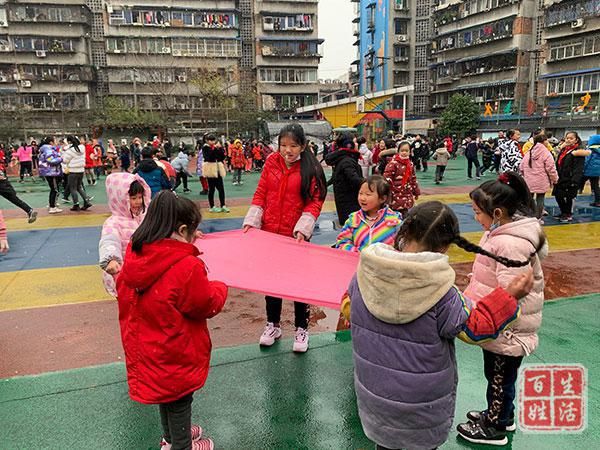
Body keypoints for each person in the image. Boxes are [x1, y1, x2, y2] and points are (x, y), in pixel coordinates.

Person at [343, 201, 533, 450]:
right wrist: (508, 297)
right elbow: (476, 329)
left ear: (405, 230)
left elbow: (348, 307)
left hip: (376, 398)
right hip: (422, 407)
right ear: (445, 246)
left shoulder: (363, 275)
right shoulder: (441, 293)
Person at [117, 191, 227, 450]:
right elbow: (205, 304)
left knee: (165, 397)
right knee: (179, 400)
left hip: (148, 349)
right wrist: (220, 287)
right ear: (181, 230)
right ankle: (182, 444)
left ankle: (171, 437)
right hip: (175, 350)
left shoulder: (136, 255)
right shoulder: (186, 266)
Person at [457, 172, 547, 445]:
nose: (475, 218)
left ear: (497, 213)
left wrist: (497, 321)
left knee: (499, 379)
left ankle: (495, 427)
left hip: (507, 328)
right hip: (503, 324)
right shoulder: (502, 232)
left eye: (477, 212)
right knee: (499, 377)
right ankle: (501, 415)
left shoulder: (509, 243)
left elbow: (512, 292)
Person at [243, 123, 327, 353]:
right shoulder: (271, 162)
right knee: (273, 283)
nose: (287, 150)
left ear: (302, 146)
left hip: (296, 237)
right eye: (283, 145)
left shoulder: (311, 168)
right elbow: (261, 192)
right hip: (271, 234)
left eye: (292, 145)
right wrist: (252, 220)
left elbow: (315, 201)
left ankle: (302, 329)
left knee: (299, 285)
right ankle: (273, 324)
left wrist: (303, 227)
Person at [99, 173, 151, 297]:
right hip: (122, 274)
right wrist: (111, 259)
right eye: (133, 198)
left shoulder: (145, 216)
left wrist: (187, 234)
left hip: (143, 273)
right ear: (120, 199)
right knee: (128, 309)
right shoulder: (113, 223)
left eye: (140, 197)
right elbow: (109, 242)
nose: (138, 202)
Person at [335, 175, 401, 252]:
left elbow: (402, 247)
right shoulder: (353, 219)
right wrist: (358, 252)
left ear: (383, 198)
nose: (362, 198)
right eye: (360, 193)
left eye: (368, 194)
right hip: (358, 262)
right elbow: (341, 243)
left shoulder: (394, 221)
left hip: (383, 263)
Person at [325, 131, 364, 225]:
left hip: (344, 201)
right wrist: (372, 184)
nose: (357, 144)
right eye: (354, 142)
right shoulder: (348, 161)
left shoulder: (343, 158)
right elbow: (355, 180)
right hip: (350, 203)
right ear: (349, 145)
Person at [553, 131, 590, 223]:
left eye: (571, 138)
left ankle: (567, 214)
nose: (568, 140)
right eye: (567, 138)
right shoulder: (563, 150)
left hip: (570, 178)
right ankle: (563, 212)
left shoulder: (578, 152)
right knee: (558, 196)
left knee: (569, 197)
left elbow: (578, 168)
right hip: (561, 177)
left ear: (576, 140)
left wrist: (575, 180)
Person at [520, 133, 559, 219]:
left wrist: (526, 175)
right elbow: (551, 169)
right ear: (543, 142)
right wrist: (555, 179)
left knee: (529, 198)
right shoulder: (546, 153)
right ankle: (538, 217)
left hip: (529, 180)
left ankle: (527, 215)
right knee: (540, 199)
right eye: (546, 140)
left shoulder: (529, 152)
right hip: (542, 180)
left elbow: (521, 166)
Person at [383, 141, 420, 216]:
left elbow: (413, 178)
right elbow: (387, 178)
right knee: (395, 214)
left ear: (410, 152)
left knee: (406, 212)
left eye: (406, 151)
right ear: (398, 151)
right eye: (402, 150)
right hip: (395, 194)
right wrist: (390, 191)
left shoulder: (410, 164)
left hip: (407, 193)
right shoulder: (393, 164)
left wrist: (416, 192)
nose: (404, 152)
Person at [62, 136, 92, 212]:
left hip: (73, 171)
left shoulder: (70, 151)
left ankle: (76, 204)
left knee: (73, 188)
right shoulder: (82, 148)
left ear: (69, 142)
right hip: (81, 170)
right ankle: (86, 201)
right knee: (79, 187)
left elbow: (65, 160)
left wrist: (65, 150)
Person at [202, 135, 229, 213]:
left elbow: (222, 157)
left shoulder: (216, 147)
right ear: (207, 141)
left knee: (221, 189)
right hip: (210, 170)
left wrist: (219, 149)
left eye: (213, 140)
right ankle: (212, 206)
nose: (212, 142)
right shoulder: (205, 148)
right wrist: (214, 149)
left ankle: (223, 205)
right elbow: (208, 157)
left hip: (217, 169)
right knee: (212, 189)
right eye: (211, 140)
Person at [38, 136, 64, 214]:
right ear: (51, 142)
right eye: (55, 140)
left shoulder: (47, 148)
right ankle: (52, 207)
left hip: (50, 171)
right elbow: (50, 160)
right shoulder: (48, 149)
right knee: (54, 189)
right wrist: (61, 159)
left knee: (54, 189)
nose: (56, 141)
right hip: (51, 172)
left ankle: (52, 204)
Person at [584, 134, 600, 207]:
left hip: (588, 170)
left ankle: (570, 199)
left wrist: (583, 169)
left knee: (577, 183)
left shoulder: (590, 149)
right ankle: (598, 202)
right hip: (597, 171)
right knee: (596, 186)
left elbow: (587, 160)